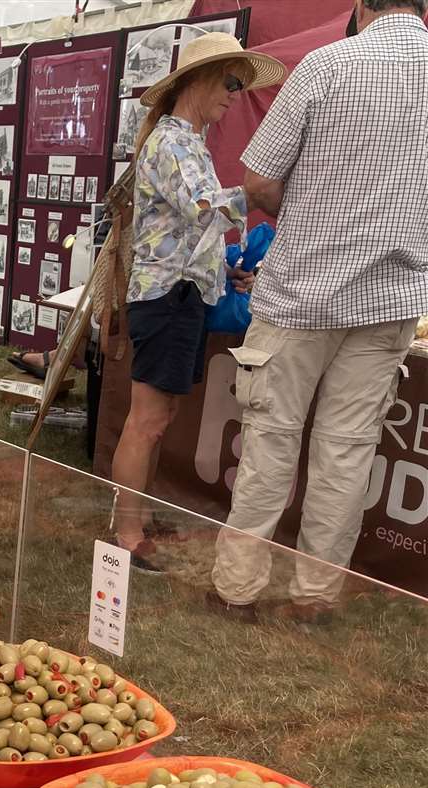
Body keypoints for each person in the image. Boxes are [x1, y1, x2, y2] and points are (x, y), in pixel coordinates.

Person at [211, 0, 428, 621]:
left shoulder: (327, 65)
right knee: (348, 451)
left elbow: (257, 181)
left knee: (271, 442)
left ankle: (238, 590)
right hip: (392, 299)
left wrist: (307, 219)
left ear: (361, 8)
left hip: (304, 291)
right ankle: (314, 600)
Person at [109, 32, 283, 571]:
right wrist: (254, 192)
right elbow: (201, 207)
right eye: (230, 83)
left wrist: (222, 268)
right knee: (149, 418)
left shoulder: (185, 140)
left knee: (162, 414)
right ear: (200, 81)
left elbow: (185, 229)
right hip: (166, 298)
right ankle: (126, 532)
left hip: (179, 293)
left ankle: (134, 515)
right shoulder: (174, 141)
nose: (235, 95)